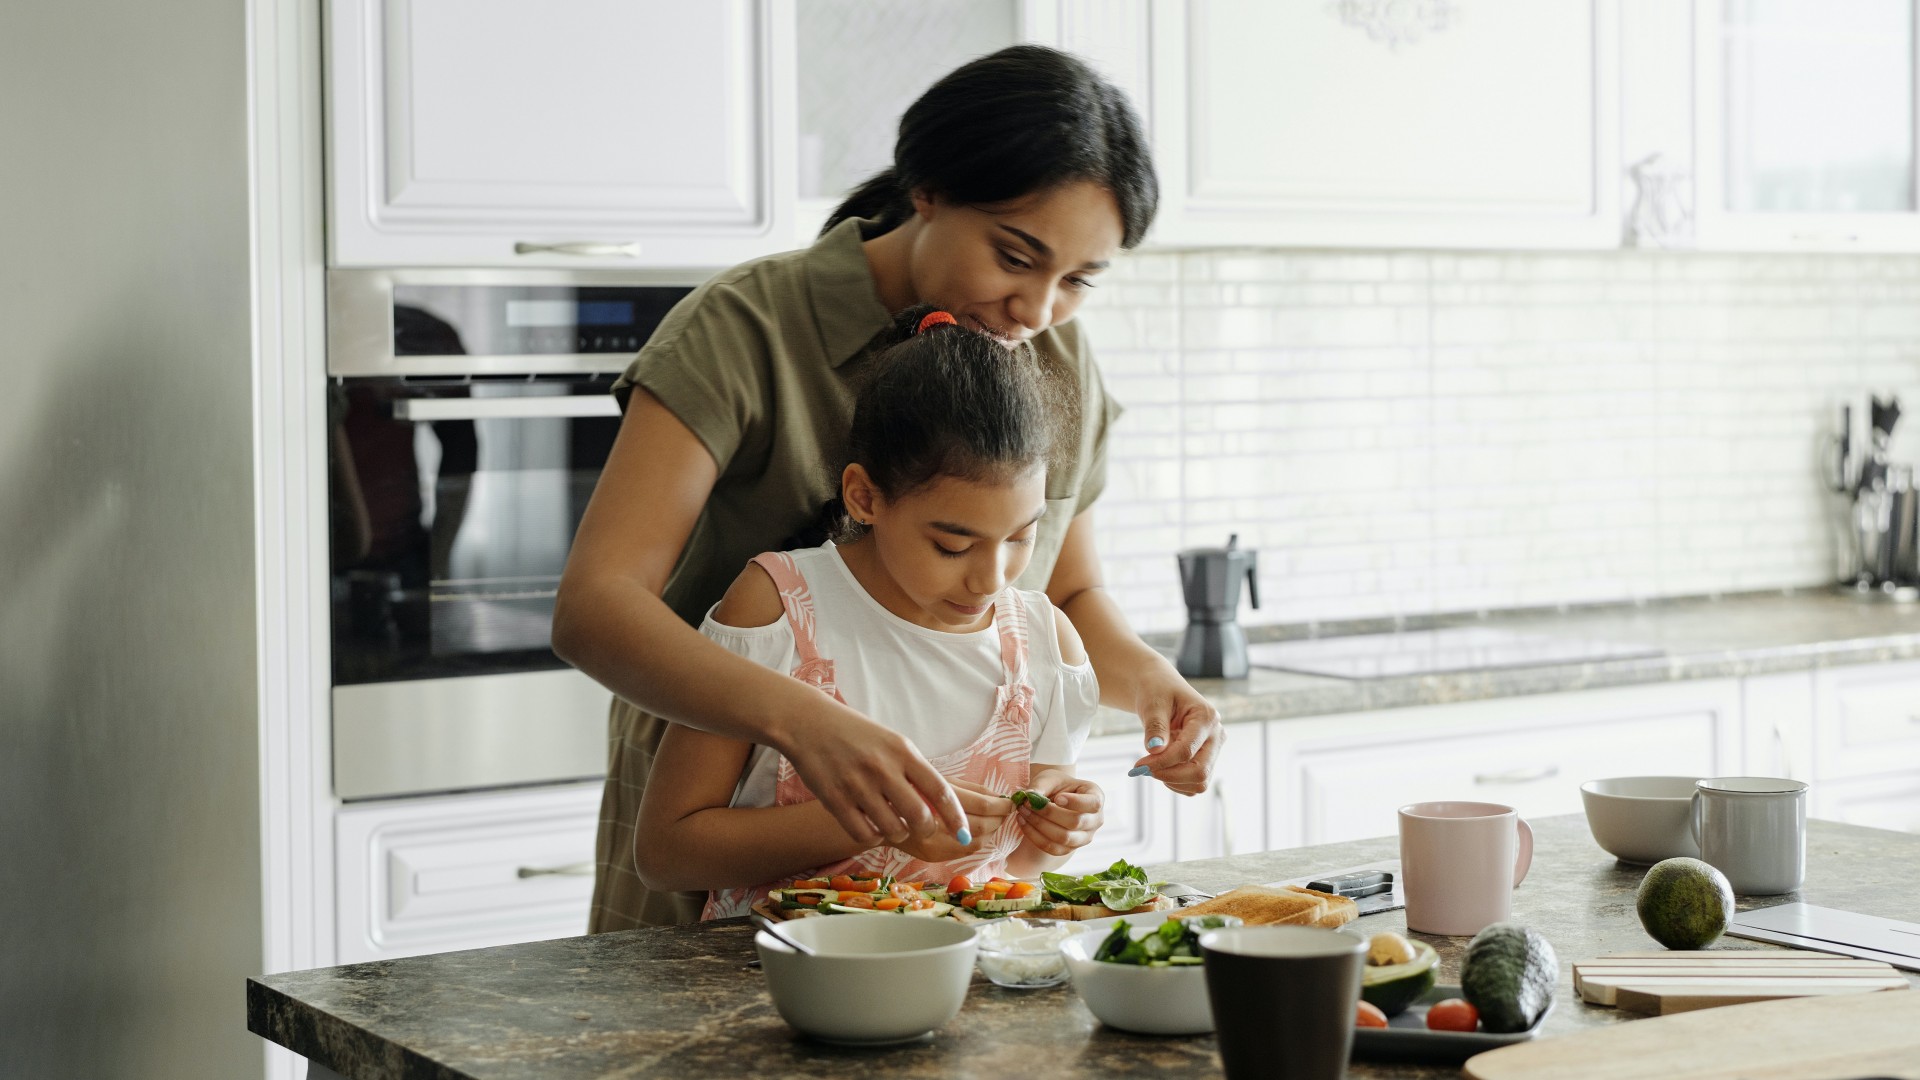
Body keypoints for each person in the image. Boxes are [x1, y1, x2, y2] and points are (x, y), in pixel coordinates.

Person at [552, 44, 1225, 931]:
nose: (1039, 309)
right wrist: (806, 724)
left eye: (1077, 282)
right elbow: (596, 607)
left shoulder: (1052, 354)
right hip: (721, 813)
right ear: (929, 191)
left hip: (938, 895)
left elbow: (1065, 589)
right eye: (1016, 256)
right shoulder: (745, 328)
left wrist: (1151, 685)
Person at [635, 306, 1105, 915]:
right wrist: (875, 822)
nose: (992, 578)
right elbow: (666, 854)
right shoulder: (778, 608)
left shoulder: (1045, 644)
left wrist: (1057, 832)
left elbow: (1019, 869)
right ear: (865, 496)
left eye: (1021, 536)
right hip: (773, 983)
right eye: (952, 545)